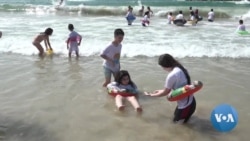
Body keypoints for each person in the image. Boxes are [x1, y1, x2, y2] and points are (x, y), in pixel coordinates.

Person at [145, 54, 196, 124]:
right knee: (178, 121)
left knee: (177, 127)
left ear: (164, 66)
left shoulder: (172, 75)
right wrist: (161, 90)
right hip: (191, 101)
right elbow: (180, 87)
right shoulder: (182, 68)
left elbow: (166, 92)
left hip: (185, 106)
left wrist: (151, 95)